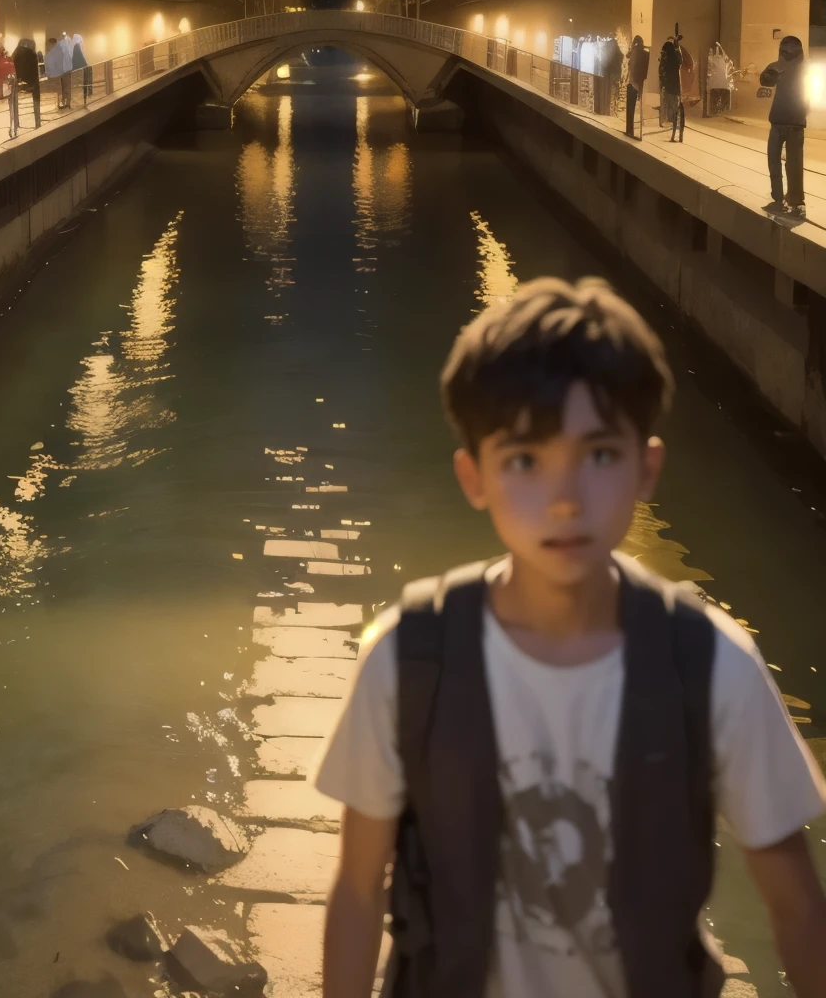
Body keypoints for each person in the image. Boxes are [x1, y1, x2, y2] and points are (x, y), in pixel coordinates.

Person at [313, 277, 826, 998]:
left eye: (600, 456)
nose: (565, 498)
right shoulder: (407, 657)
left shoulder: (712, 665)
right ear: (475, 477)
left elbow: (798, 911)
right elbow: (358, 890)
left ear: (648, 466)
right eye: (525, 459)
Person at [760, 34, 807, 219]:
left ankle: (784, 201)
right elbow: (765, 80)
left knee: (778, 162)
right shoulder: (792, 67)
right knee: (791, 163)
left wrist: (769, 74)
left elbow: (765, 80)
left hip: (785, 121)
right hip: (790, 121)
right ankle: (791, 202)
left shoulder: (781, 66)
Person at [658, 33, 685, 141]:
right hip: (677, 88)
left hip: (668, 88)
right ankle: (679, 135)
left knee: (671, 111)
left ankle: (674, 135)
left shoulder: (666, 59)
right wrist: (677, 46)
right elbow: (680, 60)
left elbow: (661, 73)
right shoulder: (676, 58)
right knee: (677, 111)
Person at [12, 37, 41, 131]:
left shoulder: (15, 53)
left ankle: (16, 123)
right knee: (36, 98)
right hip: (32, 82)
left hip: (18, 82)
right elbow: (35, 72)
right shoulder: (32, 54)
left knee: (15, 102)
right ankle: (37, 121)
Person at [625, 34, 648, 138]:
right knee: (633, 108)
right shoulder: (644, 52)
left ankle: (629, 130)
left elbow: (628, 57)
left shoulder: (636, 51)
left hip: (632, 83)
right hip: (638, 83)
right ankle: (632, 130)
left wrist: (632, 46)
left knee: (630, 108)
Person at [707, 41, 734, 117]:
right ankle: (723, 113)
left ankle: (714, 112)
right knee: (724, 104)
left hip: (714, 85)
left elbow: (709, 70)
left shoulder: (711, 58)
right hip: (724, 84)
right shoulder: (725, 58)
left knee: (714, 102)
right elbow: (730, 68)